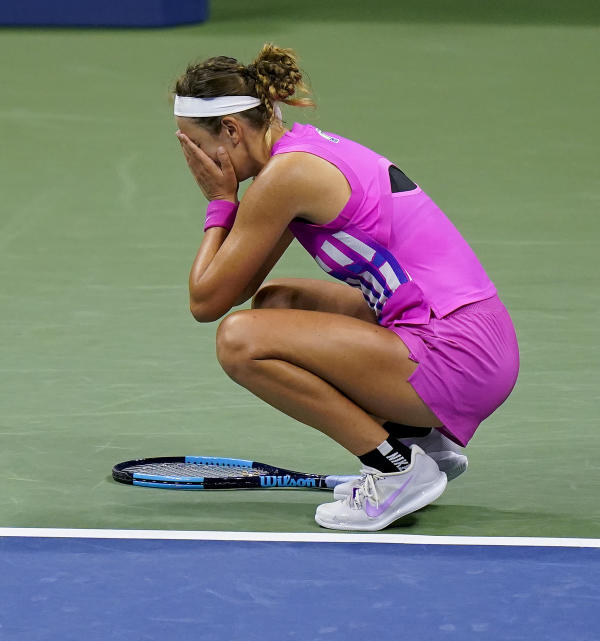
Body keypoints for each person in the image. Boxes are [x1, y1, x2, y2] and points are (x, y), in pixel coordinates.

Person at [172, 44, 519, 531]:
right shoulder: (300, 155)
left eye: (194, 147)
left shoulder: (285, 178)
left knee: (239, 340)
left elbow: (205, 302)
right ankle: (421, 442)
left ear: (230, 130)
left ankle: (395, 469)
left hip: (457, 354)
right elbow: (237, 284)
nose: (197, 163)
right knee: (277, 303)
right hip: (482, 338)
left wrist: (219, 202)